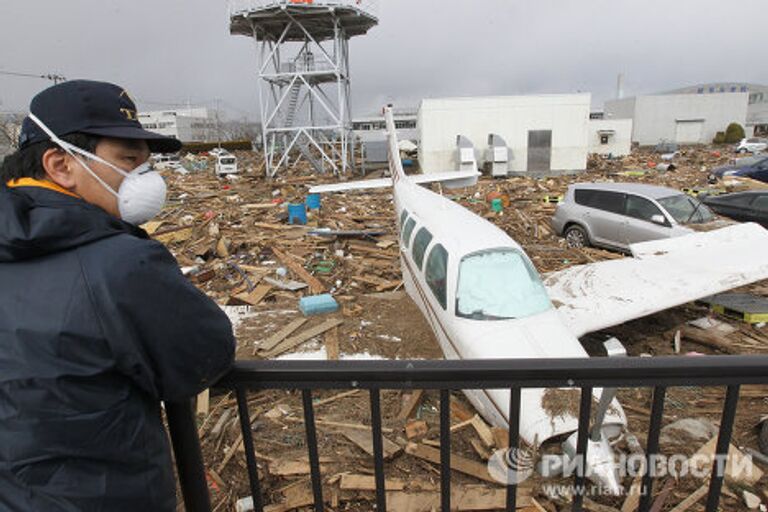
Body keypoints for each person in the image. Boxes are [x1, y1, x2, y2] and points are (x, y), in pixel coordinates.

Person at [0, 80, 235, 511]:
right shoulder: (118, 264)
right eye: (129, 160)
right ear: (61, 165)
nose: (146, 177)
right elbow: (204, 354)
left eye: (146, 163)